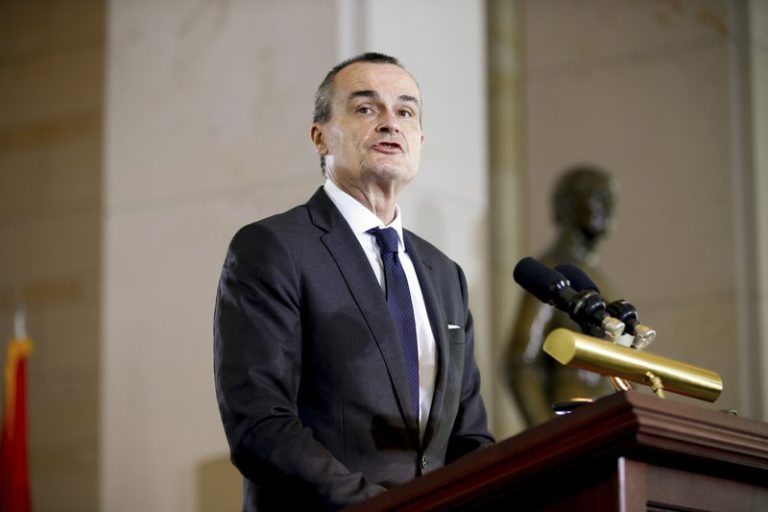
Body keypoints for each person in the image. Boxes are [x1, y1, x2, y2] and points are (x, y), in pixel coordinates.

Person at [214, 52, 494, 511]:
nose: (390, 123)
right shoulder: (273, 248)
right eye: (366, 108)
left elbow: (470, 437)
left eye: (405, 111)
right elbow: (260, 425)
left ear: (420, 140)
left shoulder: (445, 274)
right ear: (320, 137)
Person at [505, 165, 619, 427]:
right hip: (572, 422)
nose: (608, 206)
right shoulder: (550, 274)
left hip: (610, 422)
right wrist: (548, 435)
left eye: (610, 198)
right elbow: (521, 364)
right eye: (597, 196)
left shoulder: (600, 279)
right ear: (568, 204)